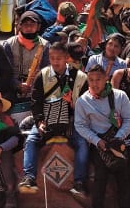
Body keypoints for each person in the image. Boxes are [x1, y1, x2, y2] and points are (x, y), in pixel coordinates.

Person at [21, 43, 90, 191]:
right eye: (52, 58)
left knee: (82, 142)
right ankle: (29, 178)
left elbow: (86, 104)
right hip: (47, 119)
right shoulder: (42, 75)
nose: (55, 62)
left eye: (59, 58)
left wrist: (73, 105)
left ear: (66, 58)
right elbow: (36, 101)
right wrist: (39, 122)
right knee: (32, 140)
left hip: (72, 121)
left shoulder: (80, 78)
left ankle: (79, 182)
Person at [74, 64, 130, 208]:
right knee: (99, 177)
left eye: (98, 80)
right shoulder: (83, 101)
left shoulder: (120, 96)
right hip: (99, 142)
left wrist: (119, 137)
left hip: (119, 140)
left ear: (106, 79)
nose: (95, 84)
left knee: (125, 176)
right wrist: (97, 141)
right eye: (91, 80)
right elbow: (80, 125)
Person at [3, 11, 51, 123]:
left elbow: (46, 71)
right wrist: (18, 85)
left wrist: (34, 86)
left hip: (37, 86)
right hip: (13, 86)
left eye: (32, 24)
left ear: (38, 27)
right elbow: (5, 72)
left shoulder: (45, 45)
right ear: (19, 26)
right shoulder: (9, 44)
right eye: (25, 24)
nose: (28, 27)